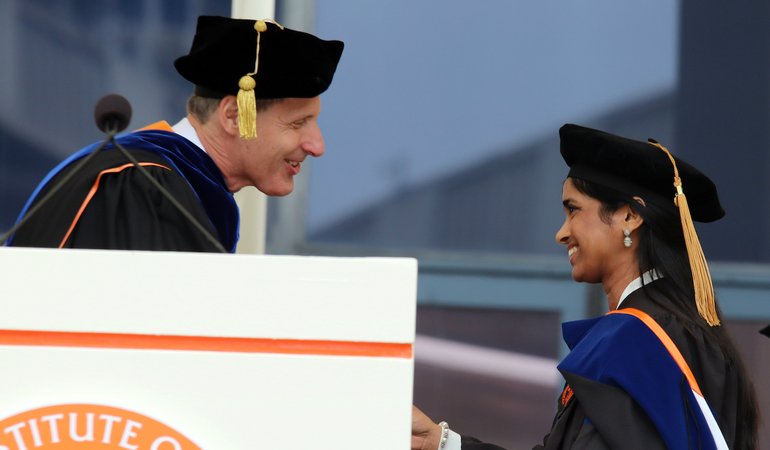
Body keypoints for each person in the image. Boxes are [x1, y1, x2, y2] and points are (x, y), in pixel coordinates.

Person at [412, 124, 759, 449]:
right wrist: (443, 443)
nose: (561, 233)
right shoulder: (689, 337)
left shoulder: (637, 342)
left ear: (629, 216)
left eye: (573, 210)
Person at [5, 16, 343, 252]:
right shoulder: (139, 186)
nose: (317, 145)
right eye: (298, 123)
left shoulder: (179, 186)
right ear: (234, 116)